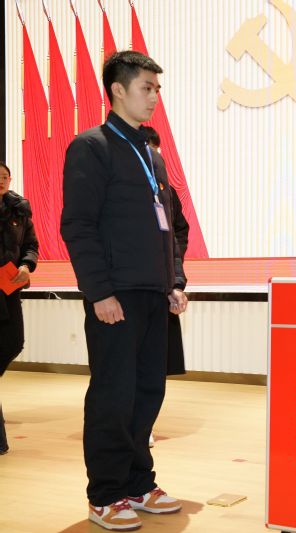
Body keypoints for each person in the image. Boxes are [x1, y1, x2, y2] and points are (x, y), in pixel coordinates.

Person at [61, 51, 188, 531]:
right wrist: (99, 292)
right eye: (146, 88)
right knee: (113, 396)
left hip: (153, 295)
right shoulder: (90, 147)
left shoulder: (151, 154)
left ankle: (137, 482)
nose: (154, 97)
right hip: (115, 296)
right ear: (118, 90)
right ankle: (105, 493)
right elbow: (78, 225)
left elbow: (169, 228)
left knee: (147, 392)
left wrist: (174, 282)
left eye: (157, 89)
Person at [141, 126, 189, 448]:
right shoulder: (119, 186)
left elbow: (177, 233)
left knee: (155, 367)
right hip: (131, 287)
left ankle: (144, 424)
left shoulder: (165, 190)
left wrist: (175, 275)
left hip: (162, 284)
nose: (153, 159)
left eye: (156, 153)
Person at [0, 162, 39, 455]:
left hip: (9, 286)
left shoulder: (19, 209)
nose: (1, 181)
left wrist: (26, 265)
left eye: (5, 177)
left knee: (15, 342)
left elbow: (31, 245)